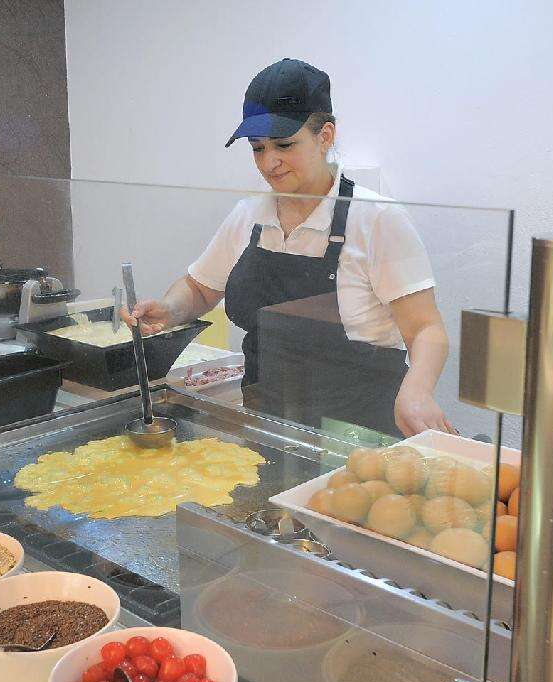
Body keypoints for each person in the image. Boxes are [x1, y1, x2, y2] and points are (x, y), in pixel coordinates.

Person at [124, 58, 454, 437]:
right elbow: (200, 289)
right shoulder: (248, 216)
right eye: (257, 148)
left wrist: (417, 391)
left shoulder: (376, 219)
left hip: (357, 431)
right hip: (268, 425)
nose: (269, 162)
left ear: (325, 136)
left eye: (284, 145)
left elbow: (426, 328)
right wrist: (169, 310)